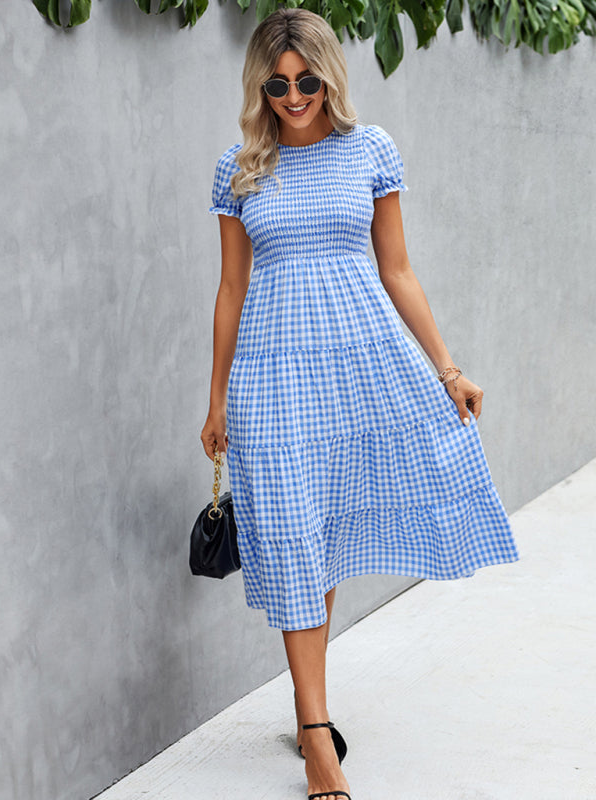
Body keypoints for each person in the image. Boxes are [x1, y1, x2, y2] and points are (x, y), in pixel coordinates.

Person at [200, 8, 519, 799]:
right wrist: (216, 401)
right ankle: (317, 737)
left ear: (330, 77)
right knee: (294, 540)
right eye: (277, 85)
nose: (293, 96)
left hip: (358, 372)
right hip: (272, 380)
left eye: (307, 80)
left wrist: (448, 369)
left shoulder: (368, 150)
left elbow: (397, 269)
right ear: (259, 87)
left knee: (326, 540)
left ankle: (310, 710)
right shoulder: (239, 168)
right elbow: (232, 290)